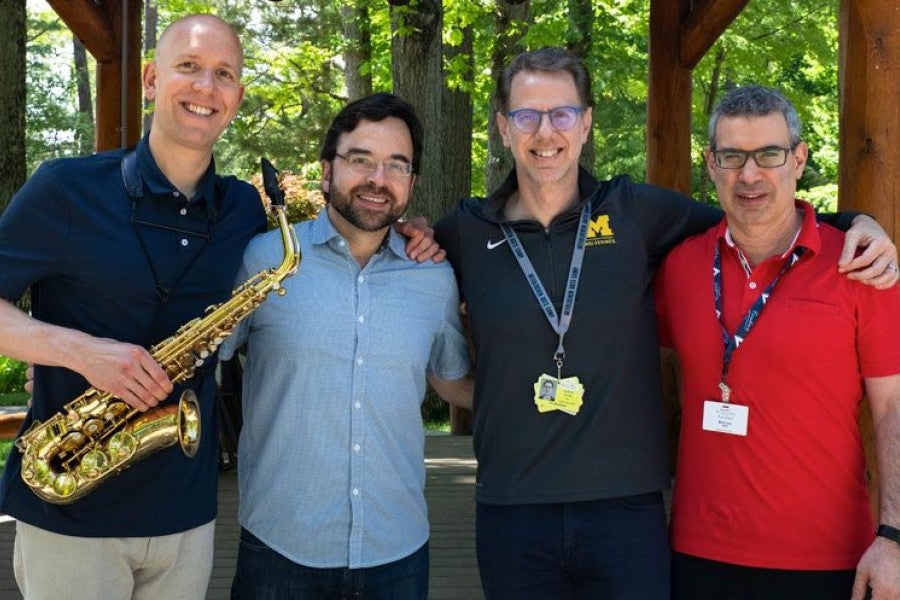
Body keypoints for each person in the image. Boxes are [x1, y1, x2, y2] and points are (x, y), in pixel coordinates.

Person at [433, 47, 898, 600]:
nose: (545, 130)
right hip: (527, 512)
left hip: (634, 515)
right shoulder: (464, 232)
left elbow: (759, 217)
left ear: (585, 124)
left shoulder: (635, 213)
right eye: (527, 115)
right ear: (504, 128)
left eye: (561, 113)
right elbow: (403, 273)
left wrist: (859, 222)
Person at [0, 16, 440, 600]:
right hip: (73, 500)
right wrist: (77, 352)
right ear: (153, 79)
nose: (206, 88)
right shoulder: (64, 188)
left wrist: (411, 231)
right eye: (188, 67)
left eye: (224, 74)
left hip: (185, 514)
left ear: (237, 96)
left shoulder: (240, 211)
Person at [219, 93, 473, 600]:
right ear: (327, 170)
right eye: (360, 160)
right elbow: (200, 361)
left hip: (396, 550)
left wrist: (543, 401)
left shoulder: (434, 275)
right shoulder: (261, 260)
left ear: (411, 181)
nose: (378, 179)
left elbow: (451, 380)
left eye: (396, 165)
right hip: (279, 548)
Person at [655, 85, 900, 600]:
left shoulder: (861, 268)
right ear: (710, 163)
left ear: (799, 158)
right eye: (732, 156)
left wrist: (895, 538)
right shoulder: (679, 268)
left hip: (826, 560)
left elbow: (893, 408)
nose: (749, 175)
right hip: (697, 555)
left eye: (768, 154)